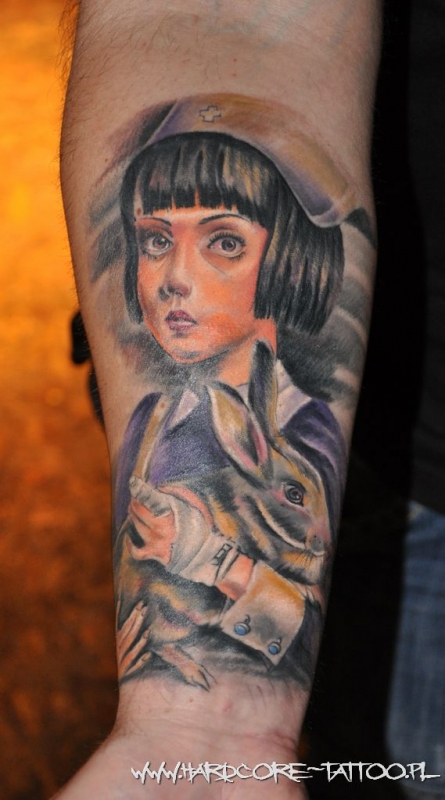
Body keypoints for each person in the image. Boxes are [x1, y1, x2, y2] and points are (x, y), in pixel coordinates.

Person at [57, 2, 380, 798]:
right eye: (154, 239)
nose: (172, 278)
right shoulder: (158, 421)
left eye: (223, 242)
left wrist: (213, 560)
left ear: (287, 260)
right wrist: (192, 730)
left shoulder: (301, 432)